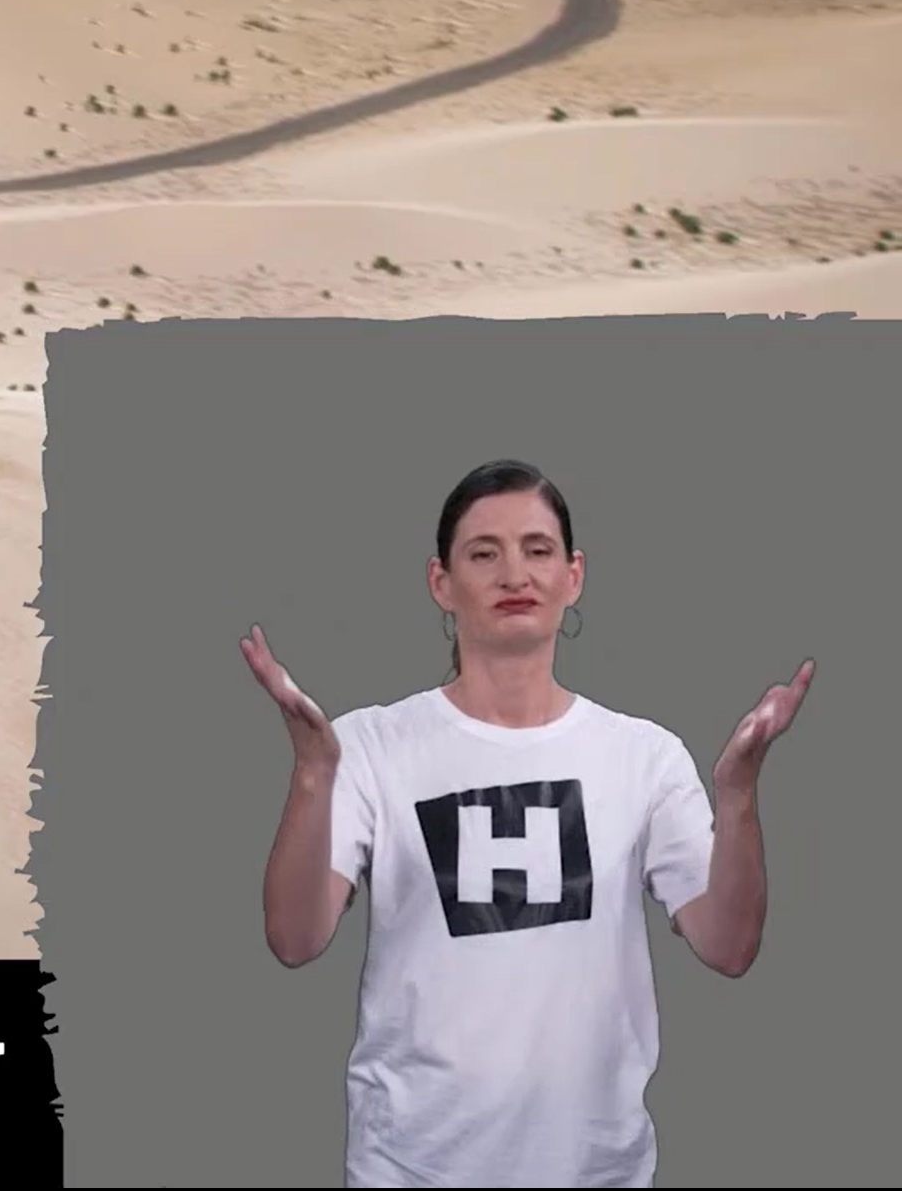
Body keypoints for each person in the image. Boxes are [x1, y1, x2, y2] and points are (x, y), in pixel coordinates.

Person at [240, 459, 813, 1189]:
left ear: (574, 575)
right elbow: (294, 939)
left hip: (596, 1171)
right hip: (410, 1169)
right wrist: (312, 775)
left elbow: (729, 946)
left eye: (538, 549)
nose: (515, 573)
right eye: (484, 553)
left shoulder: (644, 756)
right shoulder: (370, 746)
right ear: (441, 582)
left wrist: (737, 796)